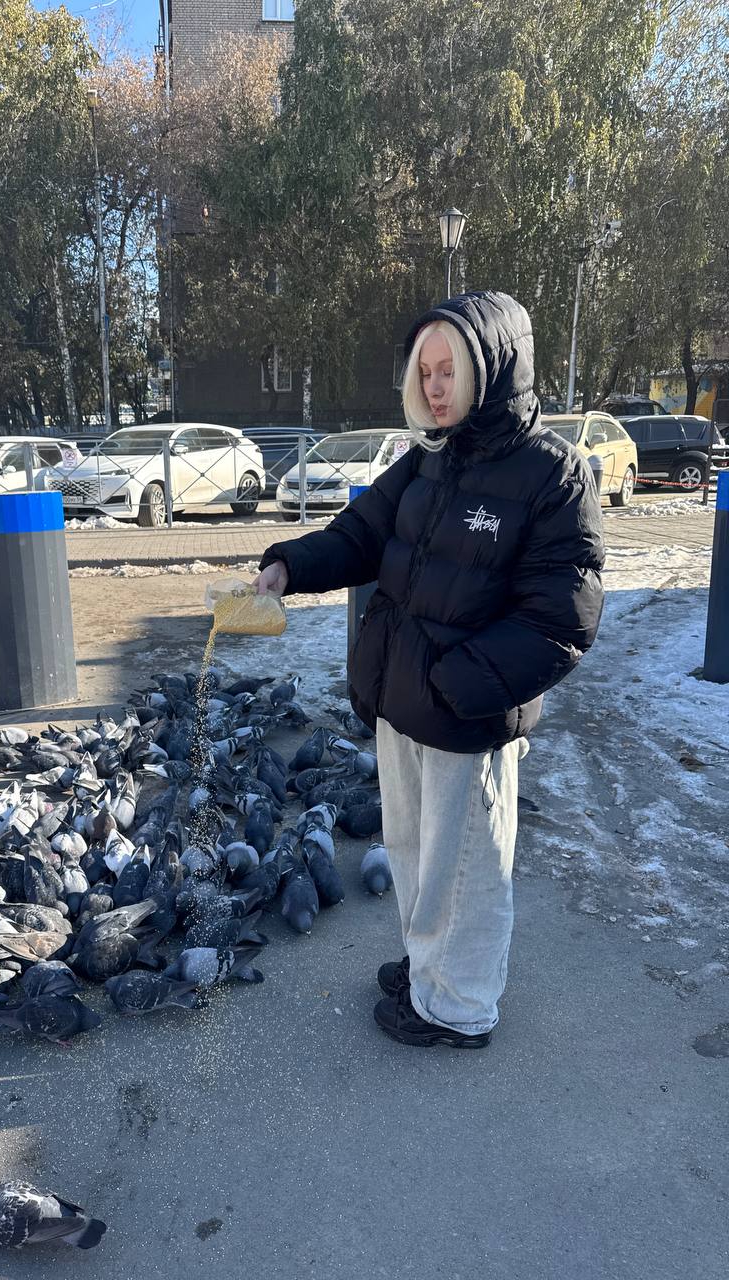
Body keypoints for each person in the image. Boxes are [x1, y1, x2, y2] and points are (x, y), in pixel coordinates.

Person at [254, 291, 605, 1049]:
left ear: (493, 370)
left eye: (451, 370)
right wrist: (289, 565)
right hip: (403, 700)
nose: (436, 387)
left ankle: (458, 1006)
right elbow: (361, 534)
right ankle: (429, 968)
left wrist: (457, 686)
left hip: (464, 713)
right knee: (415, 852)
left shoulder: (552, 474)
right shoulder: (429, 458)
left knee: (467, 868)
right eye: (426, 371)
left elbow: (561, 618)